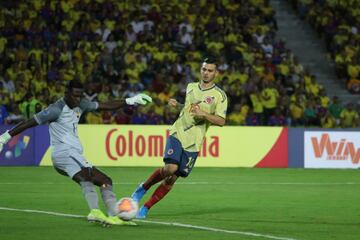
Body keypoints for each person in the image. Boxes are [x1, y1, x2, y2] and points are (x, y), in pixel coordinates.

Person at [0, 80, 152, 226]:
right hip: (64, 153)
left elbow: (105, 105)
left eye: (80, 95)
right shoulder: (56, 109)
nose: (77, 99)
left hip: (72, 155)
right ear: (66, 93)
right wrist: (5, 137)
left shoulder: (81, 104)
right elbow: (29, 122)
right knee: (96, 177)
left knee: (96, 180)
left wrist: (130, 100)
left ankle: (105, 213)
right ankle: (104, 212)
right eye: (75, 95)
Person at [131, 57, 228, 218]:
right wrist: (179, 106)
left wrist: (204, 114)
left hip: (194, 142)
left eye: (210, 70)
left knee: (171, 179)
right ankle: (143, 187)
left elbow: (221, 121)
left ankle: (146, 207)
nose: (206, 73)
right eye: (204, 69)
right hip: (179, 131)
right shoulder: (190, 87)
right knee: (170, 168)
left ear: (216, 73)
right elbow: (189, 110)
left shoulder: (220, 96)